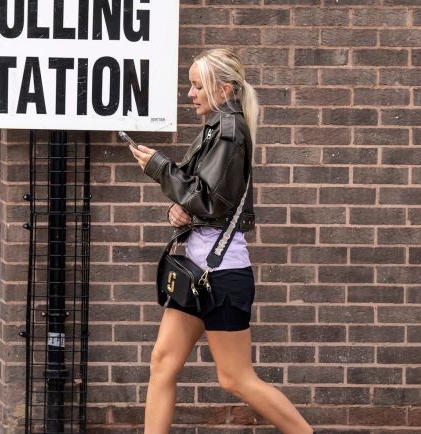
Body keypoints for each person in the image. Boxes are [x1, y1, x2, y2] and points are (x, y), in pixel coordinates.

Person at [127, 48, 313, 434]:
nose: (190, 93)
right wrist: (177, 209)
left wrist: (158, 167)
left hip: (221, 275)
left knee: (235, 378)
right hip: (198, 271)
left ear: (224, 89)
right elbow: (199, 196)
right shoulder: (216, 127)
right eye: (190, 85)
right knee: (163, 361)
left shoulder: (229, 131)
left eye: (198, 86)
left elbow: (208, 200)